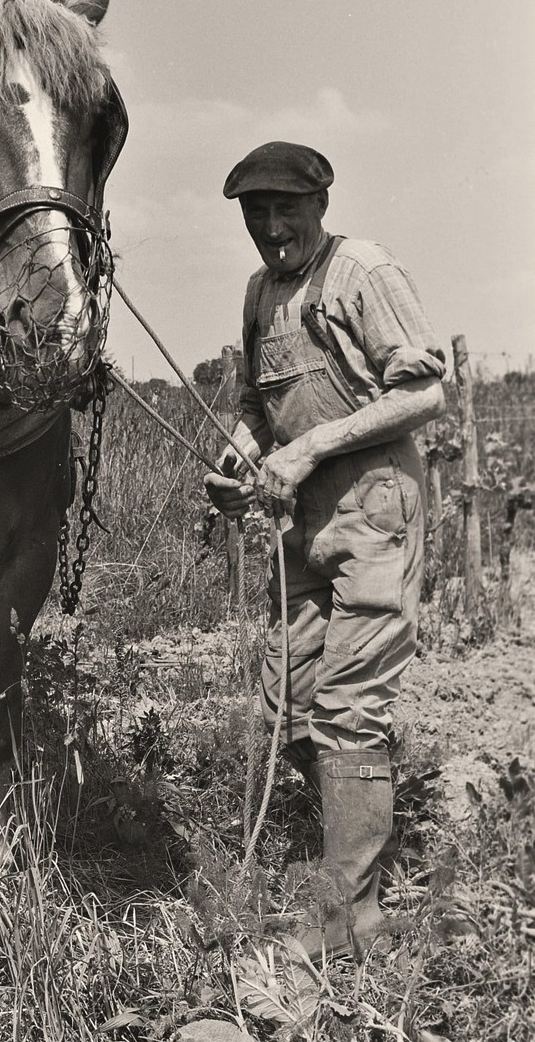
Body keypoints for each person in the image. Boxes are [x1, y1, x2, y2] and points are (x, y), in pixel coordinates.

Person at [204, 141, 446, 961]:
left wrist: (310, 449)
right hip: (299, 516)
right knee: (291, 698)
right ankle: (337, 872)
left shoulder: (362, 273)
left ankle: (352, 922)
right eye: (256, 214)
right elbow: (254, 404)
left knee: (348, 706)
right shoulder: (260, 292)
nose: (273, 228)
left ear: (321, 206)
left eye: (287, 211)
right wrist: (238, 458)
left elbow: (423, 390)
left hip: (375, 503)